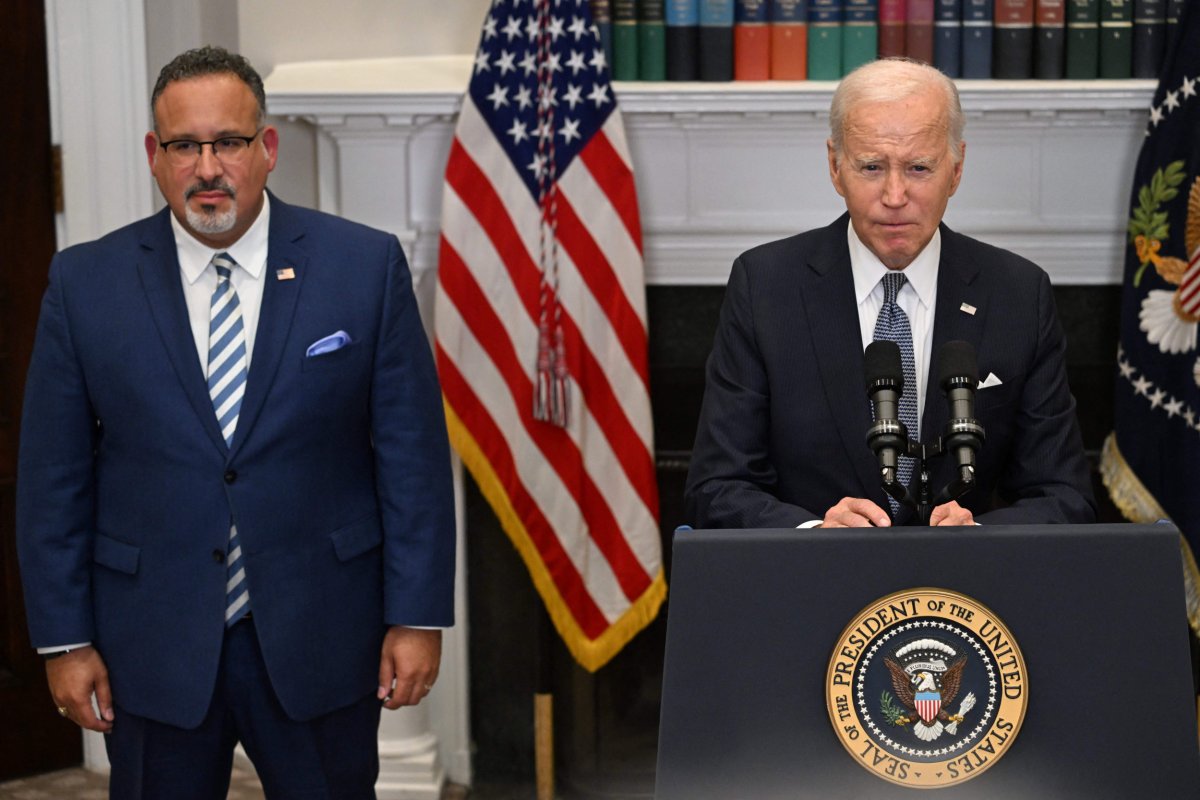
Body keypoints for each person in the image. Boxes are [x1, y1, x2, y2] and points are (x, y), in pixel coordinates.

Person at [16, 46, 455, 798]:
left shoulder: (363, 268)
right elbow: (54, 479)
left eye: (228, 142)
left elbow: (411, 459)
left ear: (267, 149)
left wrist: (416, 618)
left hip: (322, 630)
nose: (208, 166)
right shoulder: (85, 284)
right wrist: (65, 639)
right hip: (151, 642)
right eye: (185, 145)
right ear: (155, 157)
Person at [685, 58, 1096, 530]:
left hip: (963, 591)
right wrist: (813, 534)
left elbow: (1065, 496)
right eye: (872, 167)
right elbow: (715, 489)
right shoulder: (765, 286)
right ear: (835, 167)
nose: (895, 195)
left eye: (919, 168)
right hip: (814, 587)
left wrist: (981, 538)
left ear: (956, 169)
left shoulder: (1019, 294)